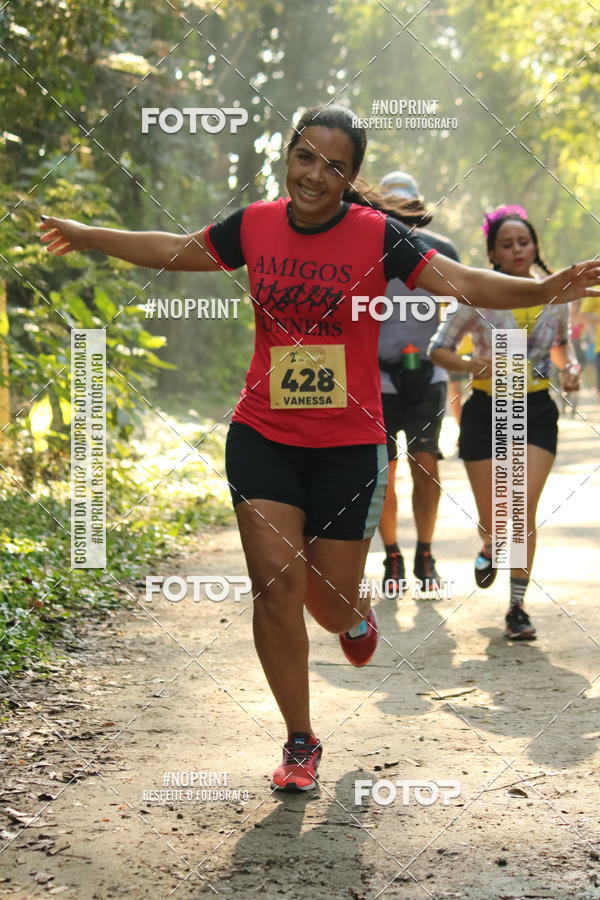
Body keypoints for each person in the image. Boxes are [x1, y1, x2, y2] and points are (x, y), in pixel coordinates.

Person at [39, 109, 600, 790]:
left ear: (350, 178)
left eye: (334, 167)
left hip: (347, 445)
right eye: (306, 157)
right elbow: (174, 249)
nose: (315, 175)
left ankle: (356, 610)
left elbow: (463, 283)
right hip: (263, 433)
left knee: (326, 606)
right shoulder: (254, 225)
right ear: (288, 156)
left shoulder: (378, 237)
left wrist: (540, 289)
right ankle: (300, 739)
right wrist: (88, 235)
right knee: (275, 588)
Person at [429, 205, 582, 641]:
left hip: (535, 412)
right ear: (493, 254)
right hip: (485, 412)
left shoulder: (557, 297)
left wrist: (570, 368)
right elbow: (438, 350)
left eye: (524, 242)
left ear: (535, 246)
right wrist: (471, 364)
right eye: (507, 245)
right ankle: (488, 545)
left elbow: (562, 348)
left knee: (521, 507)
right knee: (496, 521)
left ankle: (516, 607)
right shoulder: (477, 295)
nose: (517, 250)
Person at [376, 171, 459, 595]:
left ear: (419, 207)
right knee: (383, 472)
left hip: (428, 373)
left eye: (405, 206)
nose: (396, 215)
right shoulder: (365, 248)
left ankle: (425, 552)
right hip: (378, 376)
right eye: (387, 206)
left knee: (426, 465)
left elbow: (461, 308)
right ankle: (393, 556)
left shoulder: (441, 250)